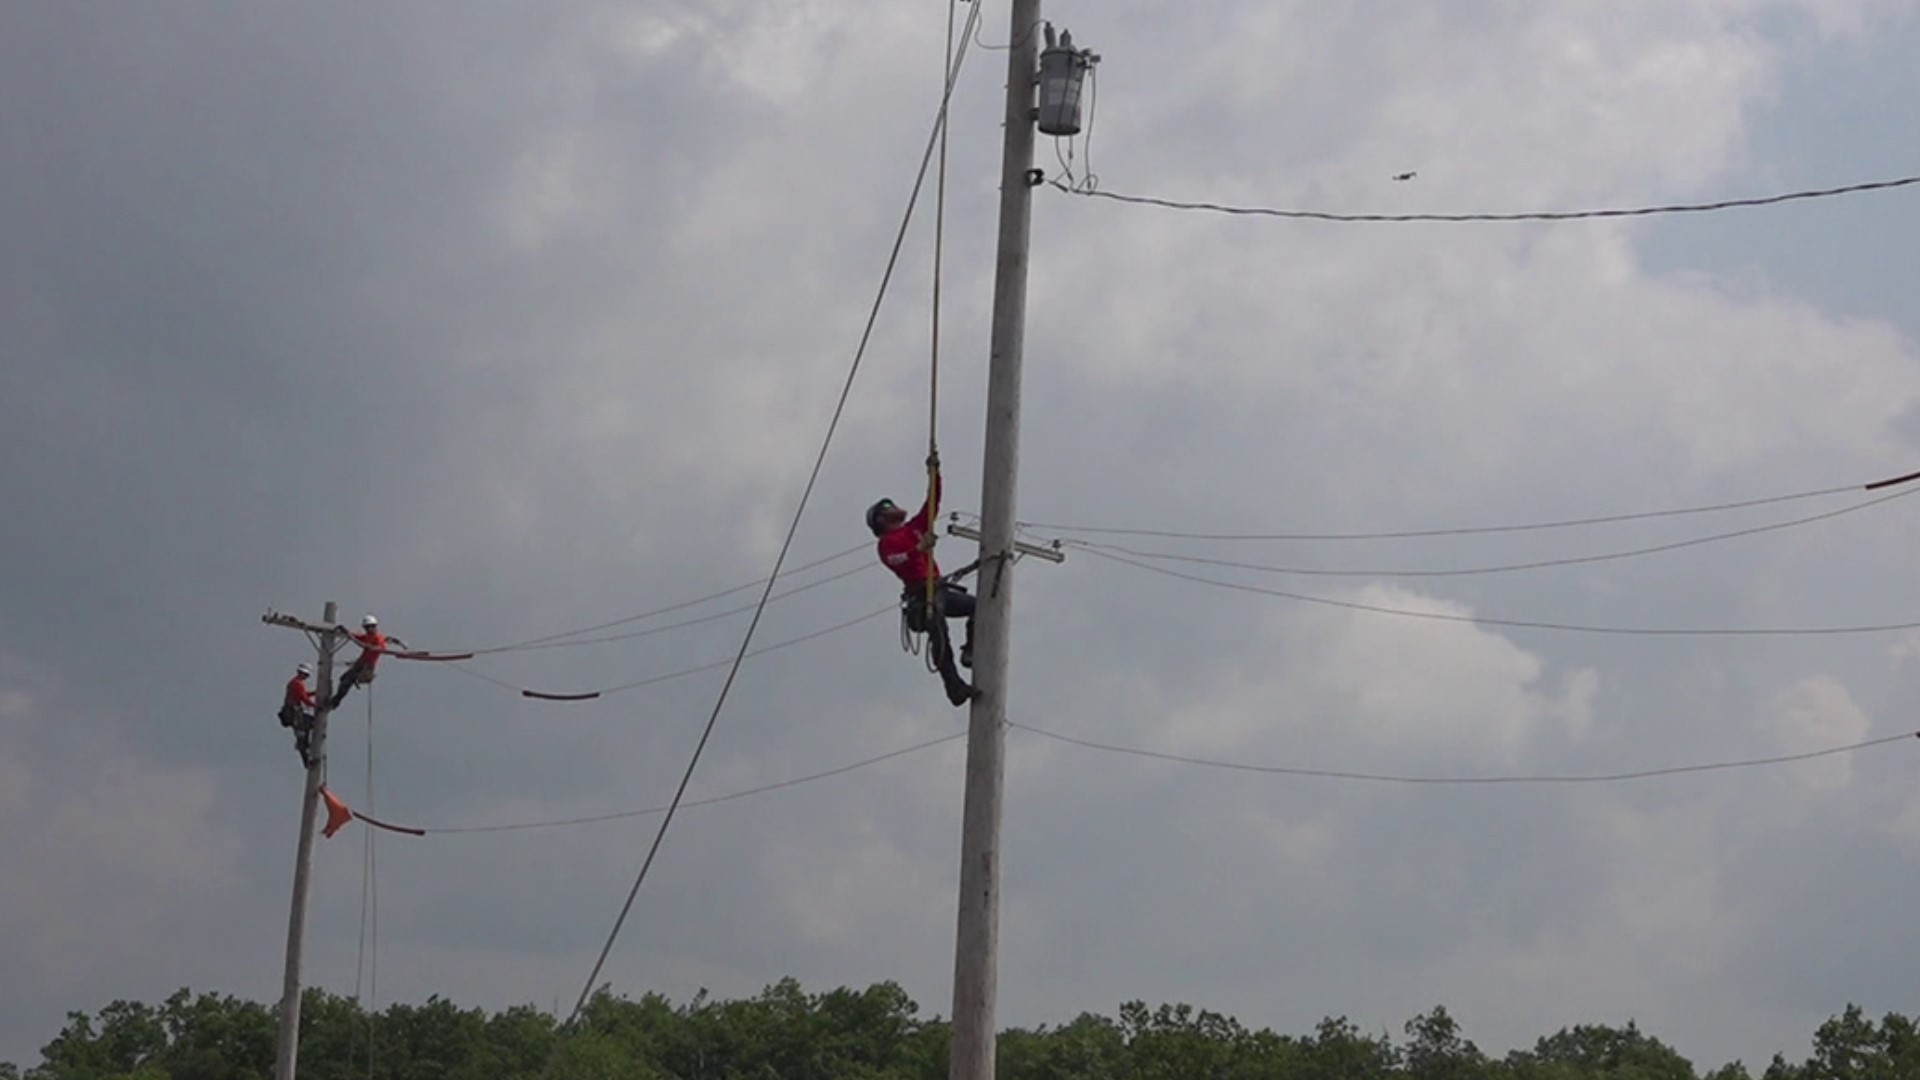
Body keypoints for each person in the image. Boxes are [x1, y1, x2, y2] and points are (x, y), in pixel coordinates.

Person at [868, 453, 977, 707]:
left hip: (938, 589)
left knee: (980, 606)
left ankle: (971, 649)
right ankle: (954, 687)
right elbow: (896, 560)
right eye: (888, 508)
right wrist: (919, 548)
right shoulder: (887, 543)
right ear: (881, 521)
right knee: (939, 633)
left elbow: (933, 502)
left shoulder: (915, 526)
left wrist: (934, 473)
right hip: (921, 596)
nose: (894, 507)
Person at [329, 615, 408, 710]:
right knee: (343, 679)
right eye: (366, 627)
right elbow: (357, 636)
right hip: (360, 664)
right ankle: (336, 700)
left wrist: (353, 638)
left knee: (346, 682)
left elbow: (371, 647)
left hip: (367, 667)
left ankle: (335, 702)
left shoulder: (378, 639)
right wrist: (346, 631)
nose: (368, 629)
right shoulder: (368, 636)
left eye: (370, 627)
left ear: (374, 626)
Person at [279, 662, 317, 766]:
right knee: (302, 735)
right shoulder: (297, 683)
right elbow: (303, 698)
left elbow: (302, 695)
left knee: (308, 727)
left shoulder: (295, 683)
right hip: (293, 712)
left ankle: (308, 756)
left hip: (293, 711)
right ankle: (307, 760)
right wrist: (316, 706)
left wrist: (314, 693)